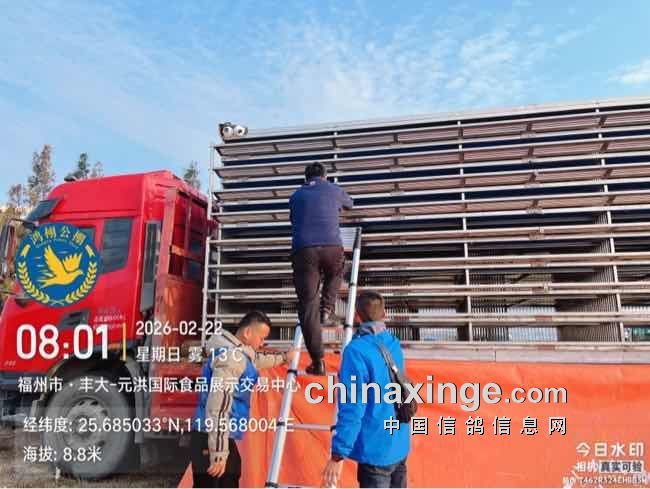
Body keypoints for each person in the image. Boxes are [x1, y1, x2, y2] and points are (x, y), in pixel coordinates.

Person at [191, 311, 298, 487]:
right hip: (211, 435)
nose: (262, 343)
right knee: (226, 478)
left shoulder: (236, 353)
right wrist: (218, 453)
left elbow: (256, 361)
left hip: (210, 434)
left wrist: (284, 358)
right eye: (261, 338)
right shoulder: (231, 358)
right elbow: (218, 407)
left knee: (229, 474)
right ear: (248, 333)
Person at [322, 290, 411, 488]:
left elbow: (353, 407)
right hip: (399, 443)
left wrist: (338, 454)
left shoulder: (356, 352)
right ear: (384, 314)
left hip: (375, 450)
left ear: (356, 316)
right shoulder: (393, 343)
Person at [289, 162, 353, 375]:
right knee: (336, 271)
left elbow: (294, 219)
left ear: (306, 178)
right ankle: (326, 308)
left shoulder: (296, 195)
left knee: (308, 305)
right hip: (331, 247)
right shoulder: (334, 189)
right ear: (325, 176)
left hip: (304, 250)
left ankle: (318, 362)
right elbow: (350, 204)